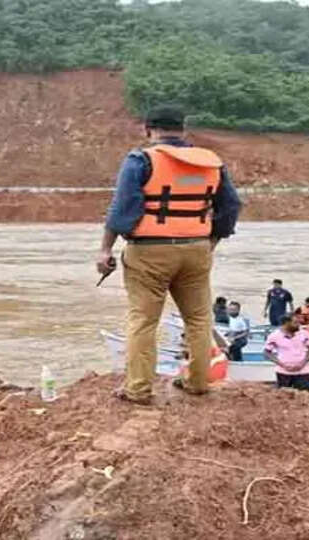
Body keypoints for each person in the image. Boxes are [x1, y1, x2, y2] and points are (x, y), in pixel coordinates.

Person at [96, 104, 242, 402]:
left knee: (143, 320)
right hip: (196, 249)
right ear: (183, 130)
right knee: (199, 318)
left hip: (149, 251)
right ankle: (197, 382)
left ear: (148, 129)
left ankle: (138, 389)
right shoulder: (211, 163)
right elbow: (231, 206)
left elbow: (122, 208)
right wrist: (213, 239)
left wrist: (105, 249)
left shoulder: (140, 160)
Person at [263, 314, 309, 392]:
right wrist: (282, 364)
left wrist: (303, 363)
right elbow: (267, 352)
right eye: (295, 323)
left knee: (305, 395)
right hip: (283, 372)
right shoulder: (274, 336)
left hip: (303, 371)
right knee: (284, 396)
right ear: (286, 323)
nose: (298, 325)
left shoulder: (304, 334)